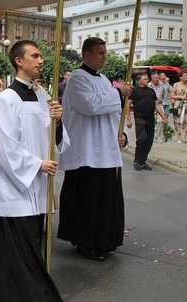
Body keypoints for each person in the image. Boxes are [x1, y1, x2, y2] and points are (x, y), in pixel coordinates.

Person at [0, 39, 67, 302]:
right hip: (16, 185)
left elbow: (51, 136)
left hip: (38, 183)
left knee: (24, 245)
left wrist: (58, 121)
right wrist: (36, 164)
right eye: (35, 56)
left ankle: (4, 289)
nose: (41, 61)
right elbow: (4, 145)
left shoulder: (43, 94)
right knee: (24, 248)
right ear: (19, 60)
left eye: (41, 56)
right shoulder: (7, 99)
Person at [57, 37, 134, 262]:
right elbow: (89, 106)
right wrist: (119, 94)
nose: (104, 56)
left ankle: (104, 241)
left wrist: (122, 136)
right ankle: (86, 243)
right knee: (89, 202)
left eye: (105, 52)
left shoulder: (104, 80)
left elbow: (112, 115)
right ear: (87, 54)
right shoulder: (77, 78)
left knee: (106, 201)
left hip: (106, 150)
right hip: (87, 152)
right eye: (100, 53)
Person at [127, 73, 167, 170]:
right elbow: (128, 105)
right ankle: (137, 160)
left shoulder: (151, 90)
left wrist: (163, 116)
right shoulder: (135, 91)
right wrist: (128, 119)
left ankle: (143, 161)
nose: (147, 79)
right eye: (145, 78)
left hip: (150, 117)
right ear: (139, 81)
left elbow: (156, 105)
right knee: (142, 139)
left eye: (147, 78)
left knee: (149, 140)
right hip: (140, 117)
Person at [170, 70, 187, 144]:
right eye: (184, 76)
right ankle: (179, 138)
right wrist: (181, 97)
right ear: (180, 77)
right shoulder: (176, 85)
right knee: (178, 121)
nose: (186, 77)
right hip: (179, 105)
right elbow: (172, 95)